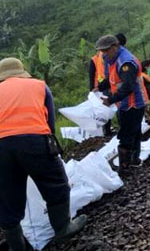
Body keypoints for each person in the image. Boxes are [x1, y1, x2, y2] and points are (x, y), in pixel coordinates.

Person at [0, 58, 87, 250]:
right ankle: (63, 228)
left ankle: (17, 246)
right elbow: (50, 122)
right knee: (56, 183)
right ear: (22, 71)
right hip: (34, 140)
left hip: (1, 148)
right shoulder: (38, 85)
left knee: (7, 197)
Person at [96, 35, 148, 172]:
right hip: (124, 103)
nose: (104, 54)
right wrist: (99, 87)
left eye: (106, 50)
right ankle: (134, 161)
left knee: (127, 134)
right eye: (102, 51)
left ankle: (125, 167)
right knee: (134, 131)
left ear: (115, 47)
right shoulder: (111, 60)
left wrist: (111, 100)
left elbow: (128, 86)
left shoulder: (125, 62)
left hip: (133, 103)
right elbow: (111, 79)